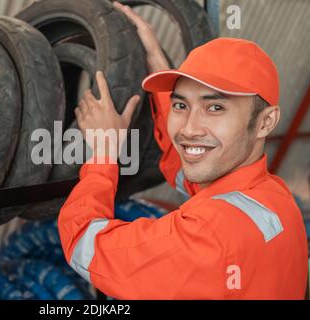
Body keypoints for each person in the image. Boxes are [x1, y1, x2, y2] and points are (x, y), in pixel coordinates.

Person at [57, 2, 308, 299]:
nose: (189, 128)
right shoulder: (274, 199)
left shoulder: (204, 240)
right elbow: (188, 173)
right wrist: (156, 59)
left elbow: (85, 242)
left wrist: (104, 152)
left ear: (266, 122)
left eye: (215, 107)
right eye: (181, 105)